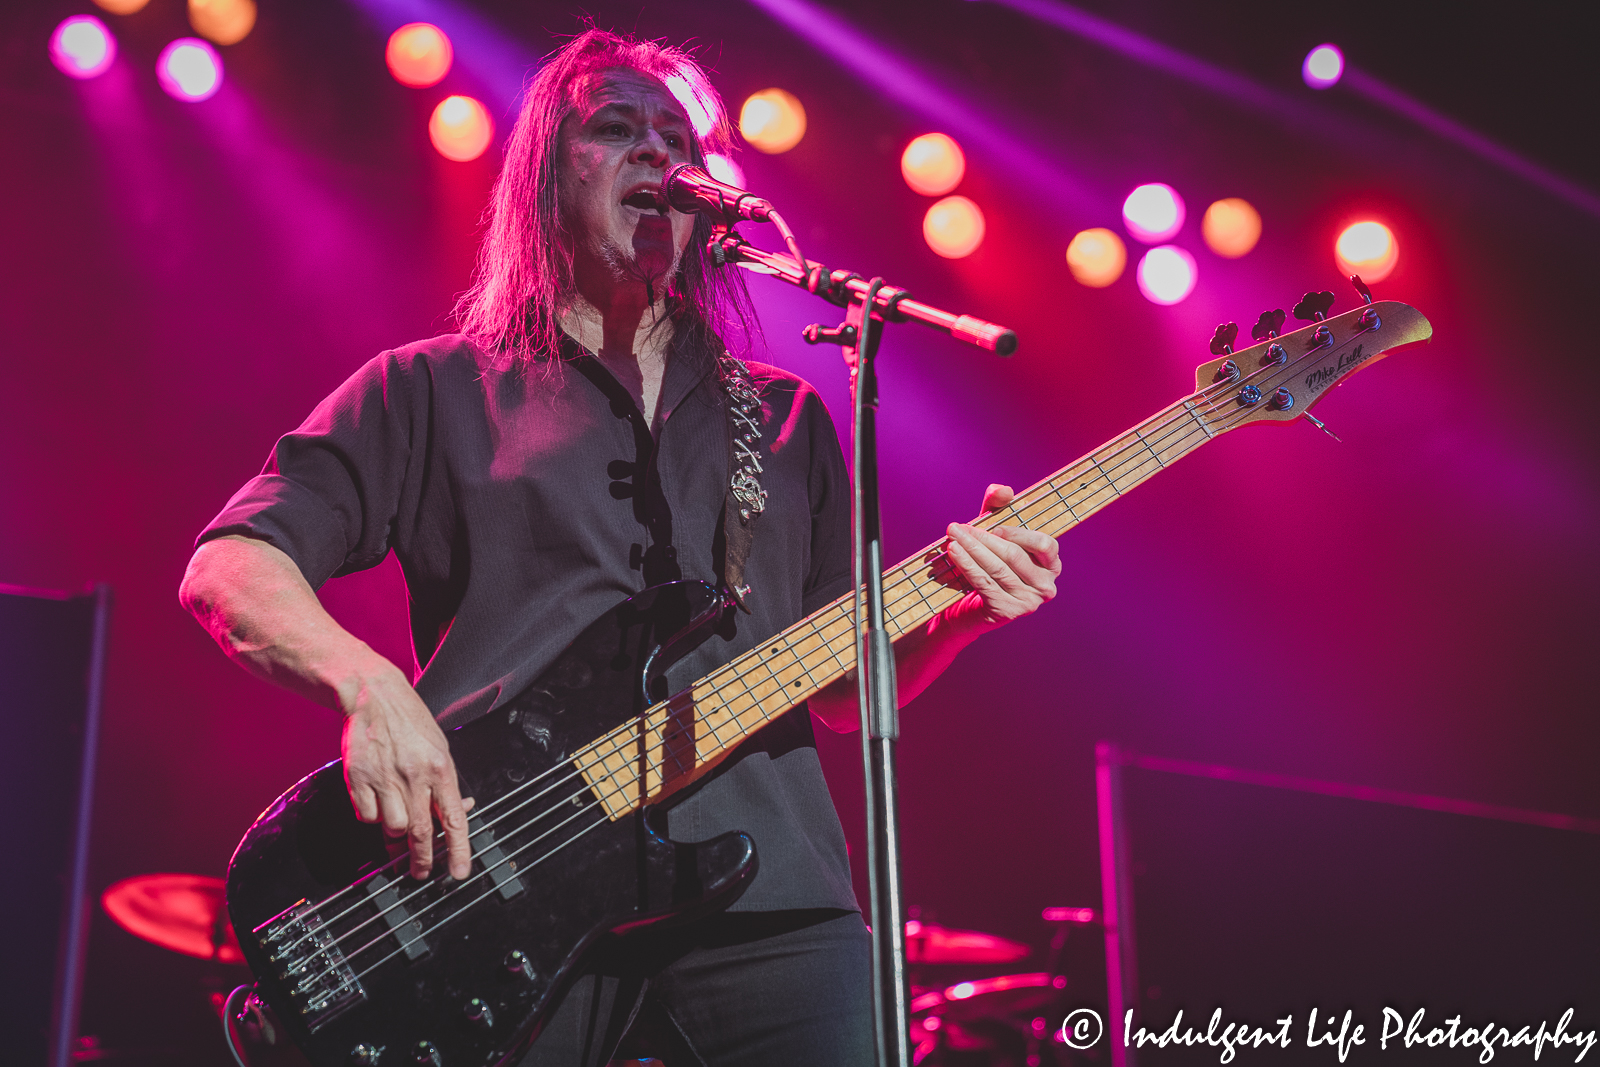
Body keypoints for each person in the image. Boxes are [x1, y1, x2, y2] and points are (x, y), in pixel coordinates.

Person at [179, 29, 1060, 1067]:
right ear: (544, 177)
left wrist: (955, 612)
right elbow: (233, 561)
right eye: (617, 128)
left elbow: (842, 689)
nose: (657, 153)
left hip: (772, 898)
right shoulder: (428, 389)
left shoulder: (785, 418)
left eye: (677, 137)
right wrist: (370, 685)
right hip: (495, 899)